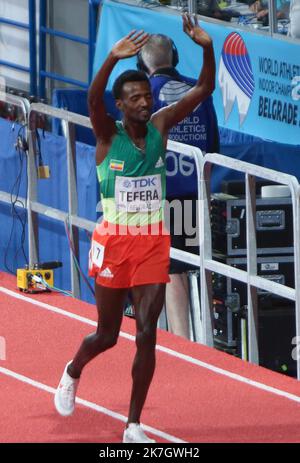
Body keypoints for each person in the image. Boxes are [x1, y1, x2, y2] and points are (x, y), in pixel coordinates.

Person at [54, 14, 215, 443]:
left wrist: (206, 47)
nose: (146, 102)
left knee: (146, 334)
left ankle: (132, 425)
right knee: (107, 335)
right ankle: (72, 370)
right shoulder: (108, 136)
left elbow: (204, 89)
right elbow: (92, 101)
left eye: (147, 95)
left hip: (151, 245)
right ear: (121, 105)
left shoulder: (161, 126)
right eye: (136, 99)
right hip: (115, 243)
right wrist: (109, 59)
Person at [137, 33, 219, 339]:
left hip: (162, 197)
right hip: (195, 193)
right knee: (200, 266)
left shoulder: (144, 95)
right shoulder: (197, 93)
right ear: (175, 58)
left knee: (171, 271)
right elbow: (212, 147)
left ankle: (183, 345)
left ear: (141, 64)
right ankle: (209, 336)